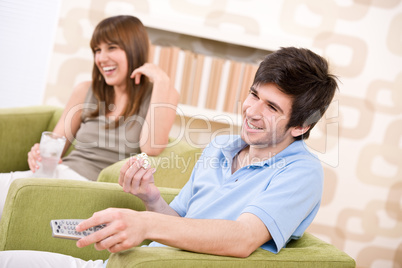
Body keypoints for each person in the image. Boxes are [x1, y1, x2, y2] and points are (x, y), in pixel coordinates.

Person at [0, 47, 338, 267]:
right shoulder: (221, 147)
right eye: (254, 95)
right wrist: (150, 198)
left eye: (272, 107)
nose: (252, 110)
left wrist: (146, 223)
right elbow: (177, 221)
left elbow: (243, 237)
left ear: (300, 126)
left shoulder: (302, 173)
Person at [0, 15, 179, 218]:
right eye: (97, 50)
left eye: (111, 47)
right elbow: (56, 144)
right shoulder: (85, 90)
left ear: (134, 49)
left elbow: (151, 147)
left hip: (88, 190)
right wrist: (39, 153)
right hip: (56, 177)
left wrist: (162, 80)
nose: (101, 58)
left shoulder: (161, 93)